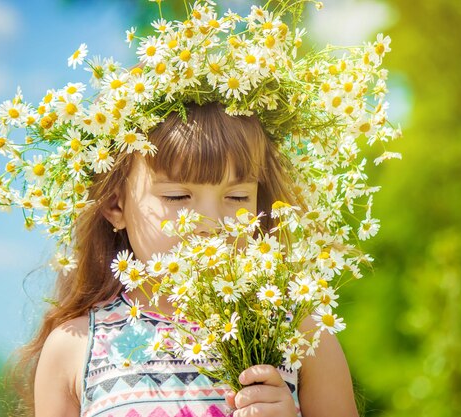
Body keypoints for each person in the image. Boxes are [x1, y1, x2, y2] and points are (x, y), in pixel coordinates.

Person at [26, 102, 359, 417]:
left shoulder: (300, 336)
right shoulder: (75, 349)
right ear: (115, 206)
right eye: (177, 196)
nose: (210, 222)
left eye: (237, 196)